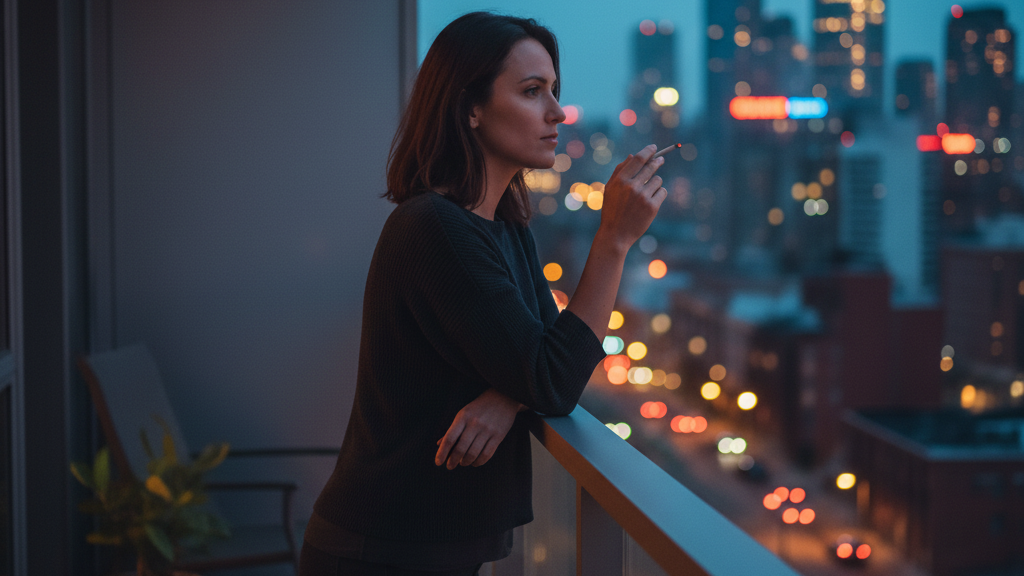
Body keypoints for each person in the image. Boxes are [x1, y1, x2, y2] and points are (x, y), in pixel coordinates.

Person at [299, 11, 666, 576]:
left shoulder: (505, 223)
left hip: (426, 545)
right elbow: (554, 377)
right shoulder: (437, 228)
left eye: (555, 92)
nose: (556, 112)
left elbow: (545, 355)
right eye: (531, 92)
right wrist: (613, 239)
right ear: (470, 107)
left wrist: (508, 394)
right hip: (382, 550)